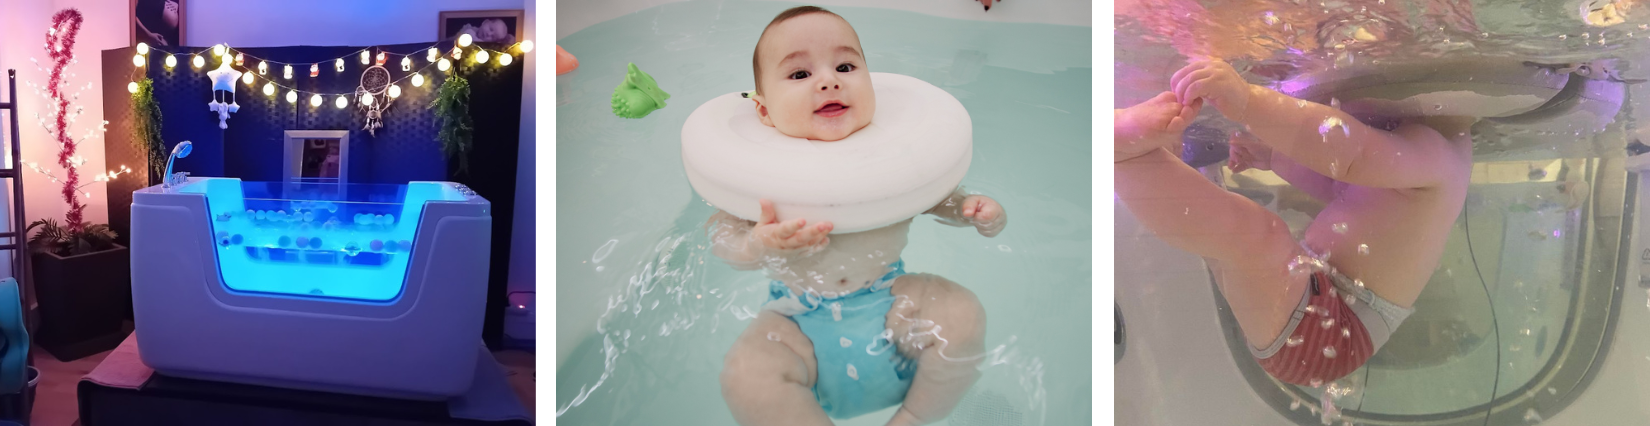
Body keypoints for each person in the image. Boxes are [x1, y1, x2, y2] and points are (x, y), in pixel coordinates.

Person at [713, 6, 1006, 426]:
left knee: (961, 312)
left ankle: (914, 418)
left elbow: (936, 198)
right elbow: (724, 241)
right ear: (763, 111)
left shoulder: (895, 163)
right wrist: (757, 243)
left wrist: (970, 210)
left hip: (891, 304)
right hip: (797, 322)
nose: (828, 80)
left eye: (845, 66)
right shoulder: (755, 175)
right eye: (799, 75)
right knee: (745, 374)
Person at [1114, 59, 1477, 386]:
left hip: (1330, 338)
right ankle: (1139, 163)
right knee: (1225, 238)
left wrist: (1248, 103)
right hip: (1326, 307)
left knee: (1253, 236)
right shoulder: (1429, 160)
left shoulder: (1435, 156)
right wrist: (1274, 158)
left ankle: (1118, 153)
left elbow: (1349, 153)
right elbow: (1339, 184)